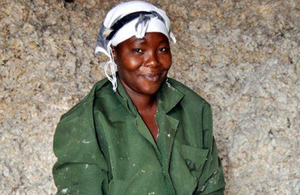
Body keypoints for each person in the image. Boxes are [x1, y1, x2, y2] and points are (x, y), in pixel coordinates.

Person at [52, 1, 225, 194]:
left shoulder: (194, 109)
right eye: (138, 50)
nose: (153, 61)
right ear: (114, 53)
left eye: (162, 50)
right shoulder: (85, 123)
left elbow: (211, 188)